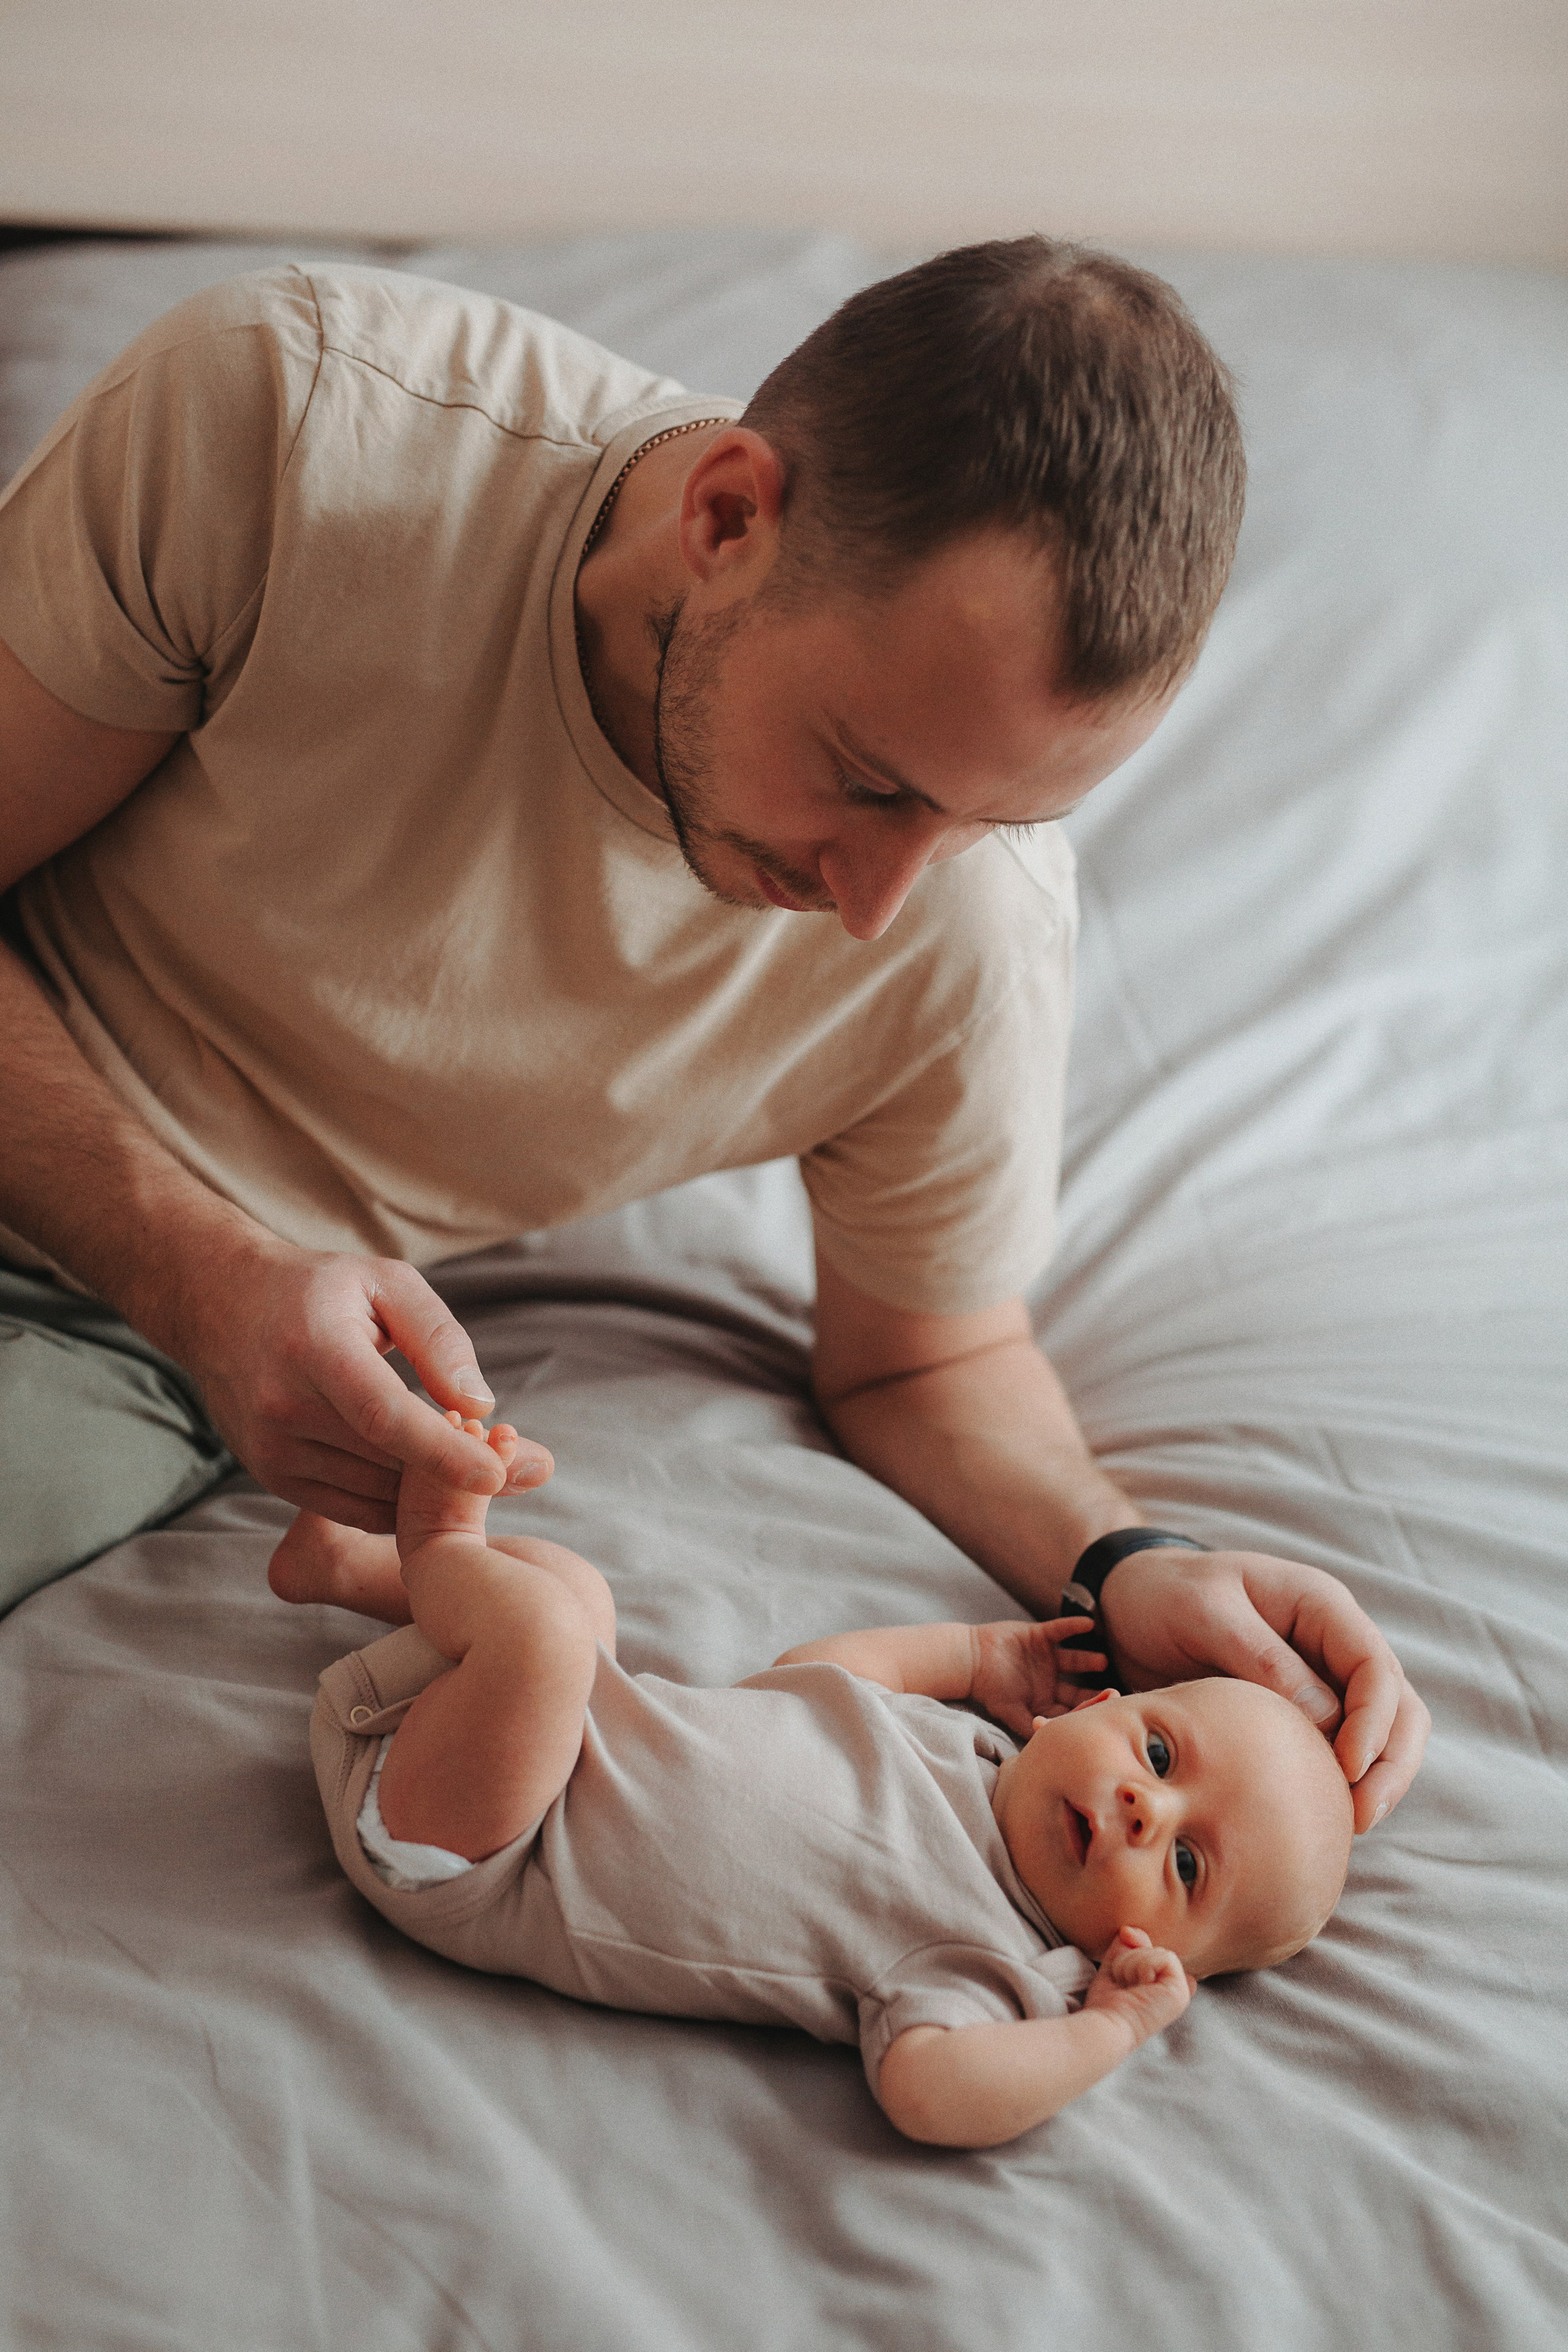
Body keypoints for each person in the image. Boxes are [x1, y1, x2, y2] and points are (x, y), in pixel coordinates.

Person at [0, 235, 1427, 1823]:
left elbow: (927, 1362)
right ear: (730, 516)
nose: (875, 904)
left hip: (116, 1350)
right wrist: (205, 1274)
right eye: (869, 782)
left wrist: (1129, 1560)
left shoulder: (963, 934)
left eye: (989, 824)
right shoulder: (294, 430)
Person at [296, 1415, 1355, 2149]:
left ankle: (439, 1540)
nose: (1145, 1806)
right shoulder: (969, 1755)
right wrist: (973, 1654)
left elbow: (931, 2092)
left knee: (543, 1636)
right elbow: (808, 1683)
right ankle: (345, 1570)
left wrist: (1109, 2028)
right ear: (1094, 1709)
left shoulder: (1001, 1956)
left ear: (1149, 1953)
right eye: (1160, 1756)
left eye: (1186, 1863)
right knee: (575, 1595)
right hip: (519, 1732)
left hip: (478, 1850)